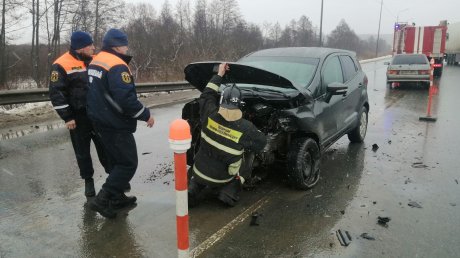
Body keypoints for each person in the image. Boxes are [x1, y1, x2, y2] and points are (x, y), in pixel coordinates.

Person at [86, 28, 155, 218]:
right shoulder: (117, 65)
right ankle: (102, 199)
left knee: (117, 161)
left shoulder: (97, 60)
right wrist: (145, 114)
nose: (127, 48)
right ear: (117, 46)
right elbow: (125, 99)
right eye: (125, 44)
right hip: (114, 122)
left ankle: (116, 198)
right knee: (127, 164)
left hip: (100, 119)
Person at [188, 63, 267, 207]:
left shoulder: (209, 113)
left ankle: (194, 187)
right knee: (248, 154)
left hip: (199, 171)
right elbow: (261, 144)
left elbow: (206, 95)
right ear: (240, 104)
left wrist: (219, 75)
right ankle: (229, 192)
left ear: (221, 101)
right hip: (222, 178)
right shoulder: (246, 128)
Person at [49, 31, 109, 197]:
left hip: (98, 114)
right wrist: (67, 116)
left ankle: (114, 178)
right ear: (81, 47)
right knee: (82, 151)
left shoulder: (97, 60)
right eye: (90, 45)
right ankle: (88, 181)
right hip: (78, 117)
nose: (93, 47)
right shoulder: (61, 64)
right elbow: (56, 92)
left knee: (106, 147)